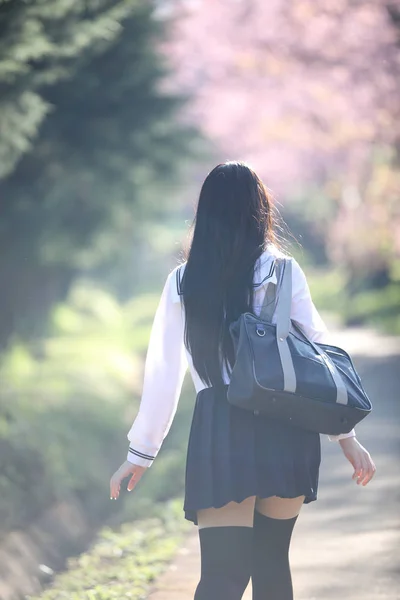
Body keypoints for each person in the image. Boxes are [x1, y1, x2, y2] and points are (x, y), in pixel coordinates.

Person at [110, 161, 376, 600]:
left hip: (222, 429)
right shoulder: (284, 271)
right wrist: (346, 437)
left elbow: (163, 374)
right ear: (261, 209)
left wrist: (141, 454)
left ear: (206, 213)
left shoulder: (183, 281)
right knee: (272, 569)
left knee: (222, 578)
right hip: (287, 424)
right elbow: (321, 362)